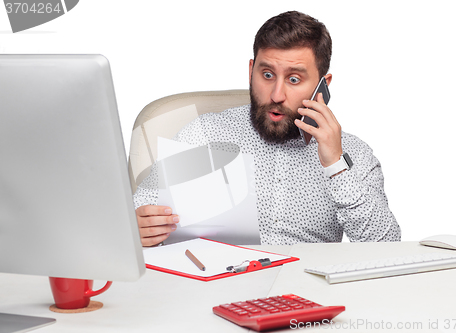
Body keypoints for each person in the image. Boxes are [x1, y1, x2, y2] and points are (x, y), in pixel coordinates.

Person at [133, 11, 401, 246]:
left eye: (294, 79)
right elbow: (137, 212)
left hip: (306, 293)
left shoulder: (354, 153)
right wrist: (135, 227)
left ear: (323, 85)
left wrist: (335, 165)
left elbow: (385, 245)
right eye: (267, 74)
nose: (276, 94)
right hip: (214, 289)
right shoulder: (204, 134)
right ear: (251, 71)